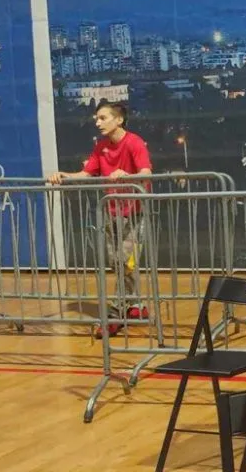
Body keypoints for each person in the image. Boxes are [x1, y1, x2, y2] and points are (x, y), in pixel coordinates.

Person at [47, 102, 152, 335]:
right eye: (97, 118)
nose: (97, 122)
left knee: (126, 262)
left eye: (103, 118)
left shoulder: (134, 142)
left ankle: (115, 313)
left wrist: (127, 175)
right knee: (117, 263)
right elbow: (86, 173)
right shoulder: (101, 146)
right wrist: (63, 176)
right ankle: (136, 305)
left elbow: (146, 172)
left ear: (119, 120)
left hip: (134, 214)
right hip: (110, 212)